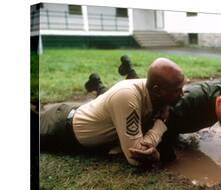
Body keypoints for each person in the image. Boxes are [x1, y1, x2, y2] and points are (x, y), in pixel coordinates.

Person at [40, 58, 185, 166]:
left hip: (84, 112)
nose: (182, 94)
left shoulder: (153, 92)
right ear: (157, 90)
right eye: (177, 90)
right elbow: (135, 157)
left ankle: (97, 83)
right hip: (59, 128)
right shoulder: (127, 96)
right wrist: (160, 124)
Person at [129, 80, 221, 163]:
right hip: (173, 119)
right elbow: (163, 123)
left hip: (188, 120)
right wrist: (166, 156)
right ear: (220, 102)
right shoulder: (189, 101)